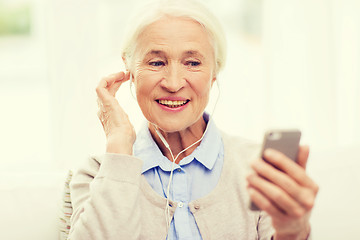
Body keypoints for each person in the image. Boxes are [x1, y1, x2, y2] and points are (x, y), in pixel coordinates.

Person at [68, 0, 319, 239]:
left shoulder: (258, 170)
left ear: (214, 72)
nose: (174, 83)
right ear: (130, 69)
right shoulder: (97, 175)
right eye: (156, 62)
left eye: (193, 62)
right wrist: (119, 144)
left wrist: (292, 232)